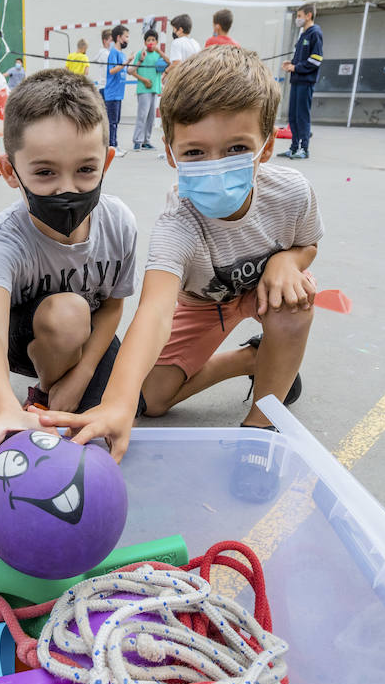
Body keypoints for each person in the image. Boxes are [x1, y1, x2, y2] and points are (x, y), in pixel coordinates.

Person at [40, 46, 323, 458]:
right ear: (171, 153)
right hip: (204, 303)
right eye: (195, 152)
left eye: (236, 149)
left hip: (264, 293)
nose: (216, 165)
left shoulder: (292, 192)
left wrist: (289, 261)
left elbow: (308, 244)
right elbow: (154, 309)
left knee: (295, 301)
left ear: (265, 147)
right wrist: (119, 403)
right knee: (153, 400)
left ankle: (262, 428)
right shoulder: (178, 224)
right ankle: (251, 359)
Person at [0, 68, 137, 498]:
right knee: (68, 311)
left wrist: (81, 375)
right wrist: (0, 406)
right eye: (44, 173)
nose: (67, 189)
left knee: (105, 434)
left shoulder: (119, 224)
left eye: (85, 170)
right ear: (9, 171)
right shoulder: (3, 242)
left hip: (89, 338)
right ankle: (37, 395)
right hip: (26, 342)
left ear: (107, 162)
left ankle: (51, 393)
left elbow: (113, 306)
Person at [280, 3, 322, 160]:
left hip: (306, 81)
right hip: (296, 81)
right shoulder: (303, 34)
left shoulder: (315, 33)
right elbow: (300, 57)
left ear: (308, 15)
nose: (297, 19)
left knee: (302, 115)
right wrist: (290, 63)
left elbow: (316, 60)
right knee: (293, 115)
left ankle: (304, 148)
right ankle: (293, 147)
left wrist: (296, 68)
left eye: (299, 16)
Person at [127, 28, 167, 150]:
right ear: (145, 42)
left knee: (151, 117)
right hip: (143, 89)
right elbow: (131, 71)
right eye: (148, 40)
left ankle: (146, 141)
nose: (151, 42)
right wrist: (144, 80)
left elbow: (170, 62)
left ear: (157, 42)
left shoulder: (158, 55)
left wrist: (160, 51)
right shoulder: (141, 54)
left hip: (155, 89)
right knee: (142, 115)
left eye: (153, 40)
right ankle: (137, 141)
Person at [103, 24, 129, 151]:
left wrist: (139, 60)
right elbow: (112, 70)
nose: (127, 40)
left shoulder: (122, 54)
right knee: (112, 122)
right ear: (119, 37)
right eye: (126, 37)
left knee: (116, 121)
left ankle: (115, 145)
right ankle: (111, 147)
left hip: (119, 93)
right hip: (112, 93)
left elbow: (128, 70)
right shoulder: (113, 52)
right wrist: (125, 63)